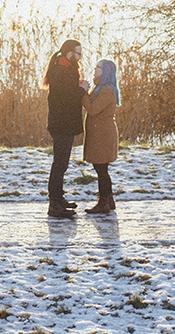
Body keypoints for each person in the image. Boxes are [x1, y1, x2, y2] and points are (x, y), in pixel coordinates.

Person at [42, 39, 89, 218]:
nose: (80, 56)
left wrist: (77, 86)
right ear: (69, 53)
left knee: (61, 164)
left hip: (62, 123)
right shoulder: (62, 69)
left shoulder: (64, 67)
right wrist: (82, 89)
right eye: (78, 53)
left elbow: (66, 92)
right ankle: (54, 204)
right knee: (60, 164)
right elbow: (67, 98)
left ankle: (58, 199)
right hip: (62, 124)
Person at [82, 58, 120, 214]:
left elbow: (92, 109)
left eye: (98, 68)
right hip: (100, 132)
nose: (95, 69)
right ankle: (108, 199)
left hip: (102, 133)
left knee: (101, 168)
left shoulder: (106, 90)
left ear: (105, 71)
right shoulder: (100, 87)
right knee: (101, 168)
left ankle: (104, 201)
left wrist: (82, 93)